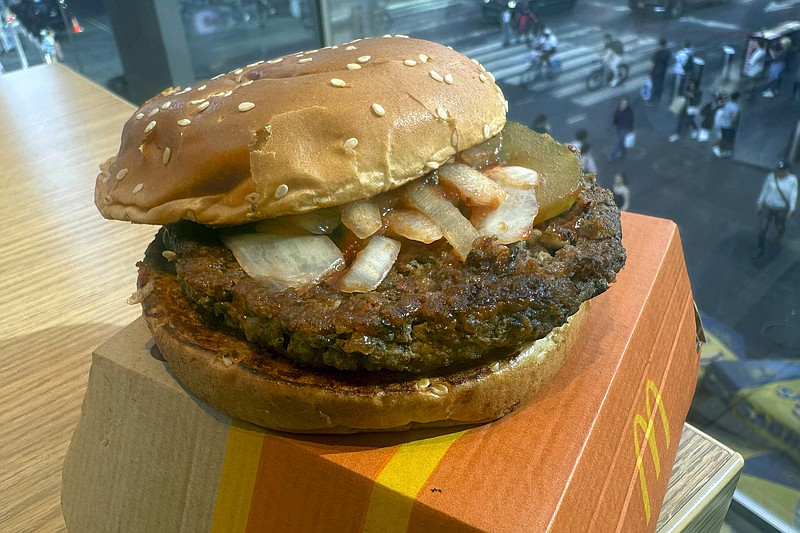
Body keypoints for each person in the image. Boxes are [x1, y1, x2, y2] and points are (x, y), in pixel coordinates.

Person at [752, 160, 798, 257]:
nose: (779, 172)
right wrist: (760, 202)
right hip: (768, 206)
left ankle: (779, 236)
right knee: (763, 228)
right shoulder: (771, 176)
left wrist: (792, 209)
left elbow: (793, 194)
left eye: (782, 170)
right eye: (778, 170)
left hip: (781, 209)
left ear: (787, 171)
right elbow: (765, 189)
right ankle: (760, 248)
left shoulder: (793, 180)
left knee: (779, 225)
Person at [712, 92, 739, 158]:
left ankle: (719, 148)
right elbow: (734, 119)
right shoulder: (735, 107)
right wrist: (734, 125)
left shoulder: (727, 104)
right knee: (726, 139)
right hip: (728, 125)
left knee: (722, 137)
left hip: (722, 123)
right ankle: (721, 150)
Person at [649, 37, 671, 105]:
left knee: (654, 85)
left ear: (659, 44)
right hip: (663, 71)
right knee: (661, 84)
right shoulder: (668, 52)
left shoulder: (656, 53)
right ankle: (658, 97)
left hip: (655, 71)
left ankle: (652, 99)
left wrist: (650, 71)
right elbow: (668, 61)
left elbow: (653, 64)